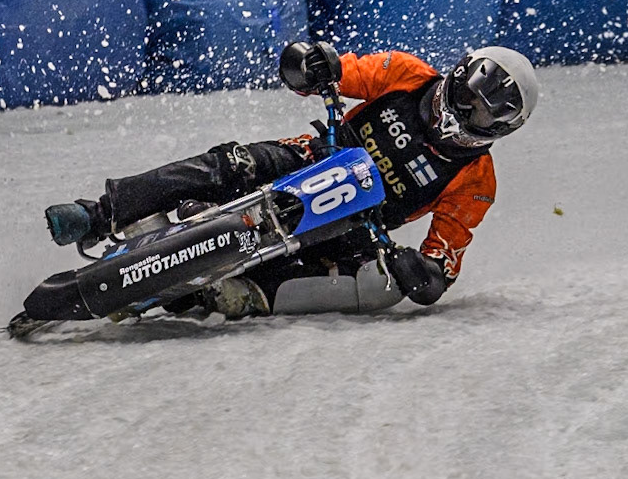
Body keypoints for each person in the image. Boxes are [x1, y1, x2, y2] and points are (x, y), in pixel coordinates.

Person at [42, 44, 540, 319]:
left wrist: (422, 273)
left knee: (382, 288)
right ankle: (100, 212)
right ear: (456, 75)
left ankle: (244, 295)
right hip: (308, 157)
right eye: (463, 96)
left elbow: (443, 260)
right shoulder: (408, 73)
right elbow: (346, 72)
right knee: (231, 163)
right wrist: (316, 64)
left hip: (357, 226)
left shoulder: (476, 181)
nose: (459, 112)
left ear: (497, 130)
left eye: (476, 113)